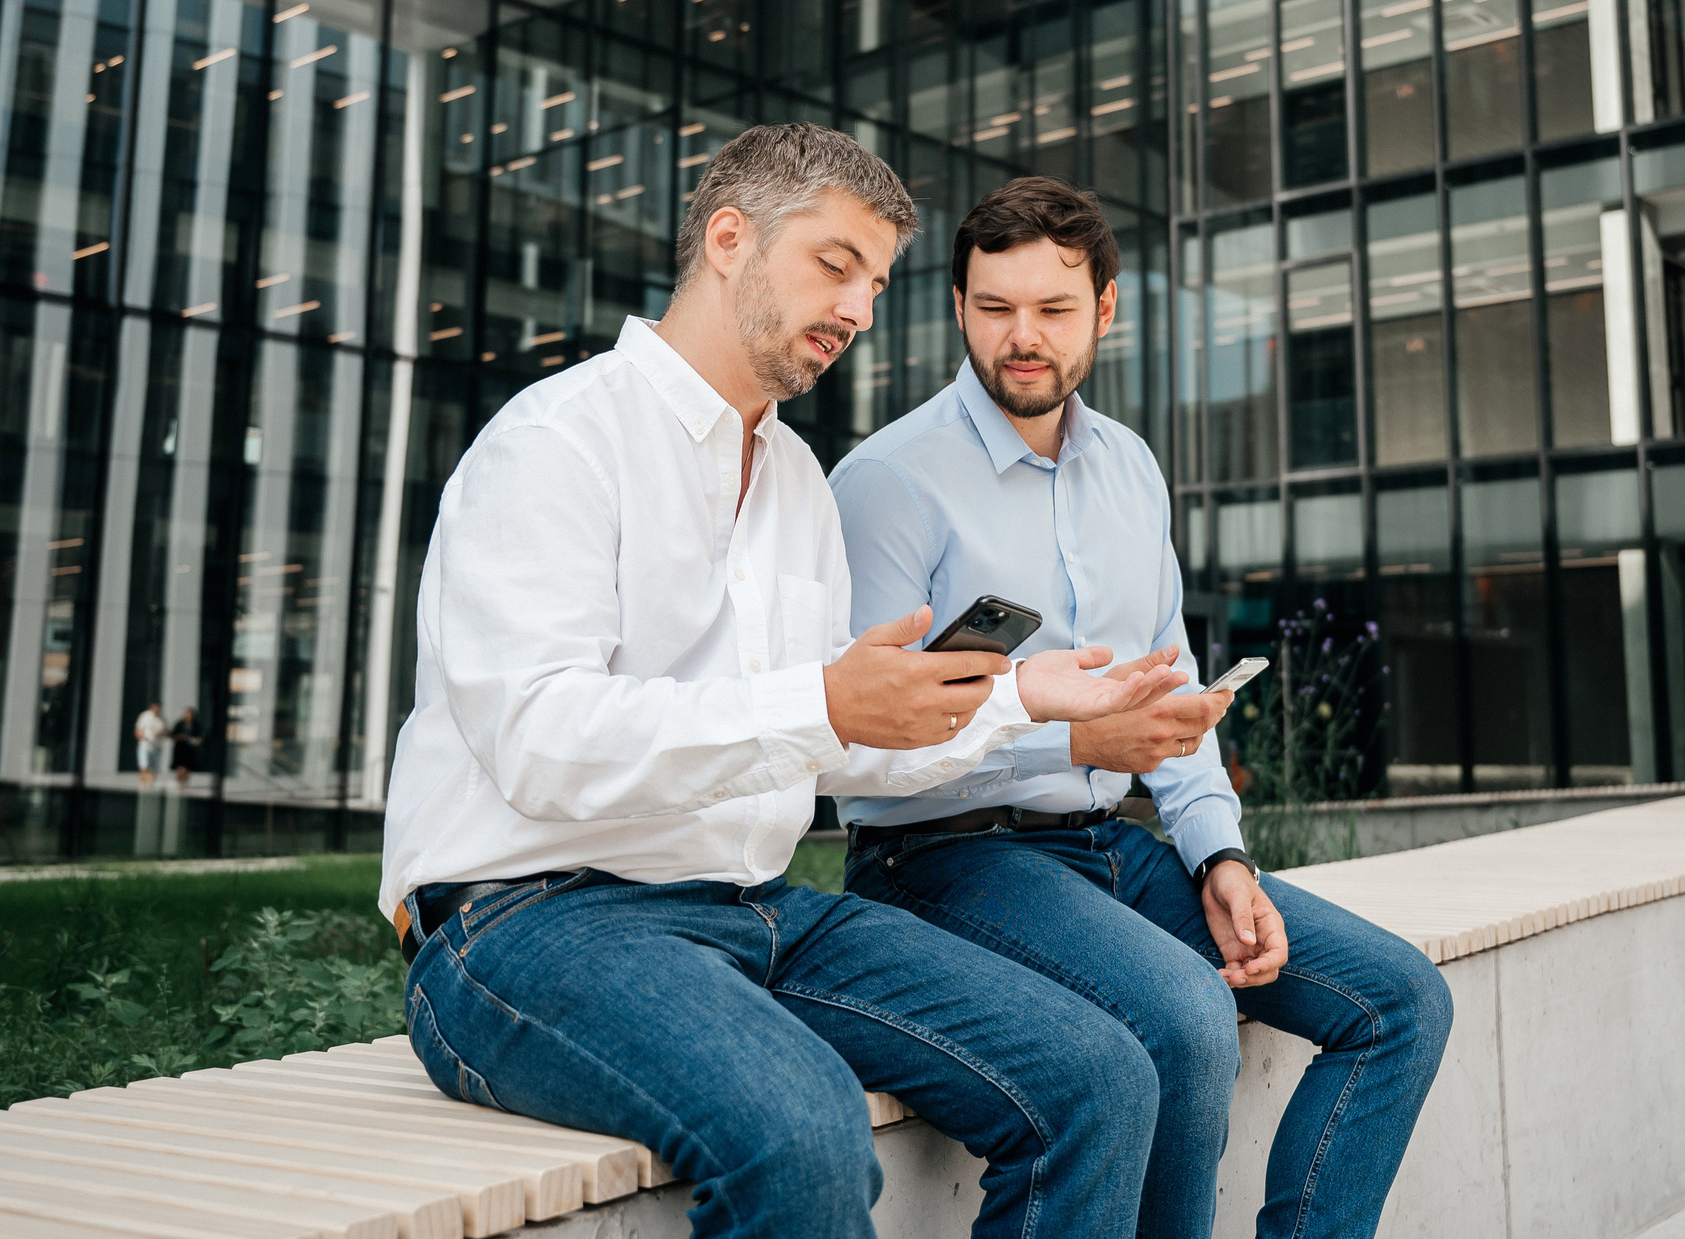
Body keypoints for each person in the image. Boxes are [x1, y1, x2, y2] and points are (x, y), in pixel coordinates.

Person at [381, 126, 1191, 1239]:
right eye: (835, 265)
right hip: (525, 920)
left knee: (1098, 1076)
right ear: (729, 240)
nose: (858, 310)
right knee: (804, 1129)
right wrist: (821, 703)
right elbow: (540, 740)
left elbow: (834, 739)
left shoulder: (798, 477)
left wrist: (1022, 699)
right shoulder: (556, 442)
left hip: (749, 905)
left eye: (876, 284)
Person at [829, 177, 1454, 1239]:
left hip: (1111, 850)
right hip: (942, 859)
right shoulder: (888, 481)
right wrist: (1071, 740)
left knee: (1401, 1001)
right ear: (959, 308)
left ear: (1106, 309)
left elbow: (1175, 700)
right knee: (1188, 1017)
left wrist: (1219, 857)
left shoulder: (1130, 469)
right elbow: (860, 750)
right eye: (995, 308)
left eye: (1053, 308)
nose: (1022, 337)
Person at [133, 699, 168, 788]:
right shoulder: (144, 716)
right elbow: (137, 732)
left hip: (156, 747)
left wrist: (159, 735)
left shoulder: (163, 719)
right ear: (151, 707)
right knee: (144, 768)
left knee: (153, 770)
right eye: (155, 707)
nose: (157, 710)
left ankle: (150, 786)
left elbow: (166, 732)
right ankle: (144, 785)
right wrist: (146, 737)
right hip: (145, 746)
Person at [169, 707, 202, 788]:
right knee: (181, 767)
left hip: (190, 750)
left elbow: (199, 737)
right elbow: (173, 735)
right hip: (180, 749)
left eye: (189, 714)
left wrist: (196, 740)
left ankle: (185, 783)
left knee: (188, 768)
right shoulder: (179, 724)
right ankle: (179, 783)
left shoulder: (196, 725)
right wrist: (181, 737)